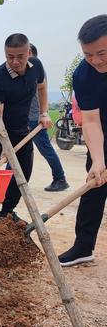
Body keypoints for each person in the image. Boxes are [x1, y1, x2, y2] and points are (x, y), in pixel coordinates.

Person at [0, 33, 52, 231]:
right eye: (10, 56)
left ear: (29, 52)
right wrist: (4, 144)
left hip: (21, 128)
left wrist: (44, 114)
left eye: (20, 56)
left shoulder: (36, 66)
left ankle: (7, 211)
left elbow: (43, 87)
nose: (15, 61)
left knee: (24, 170)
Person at [58, 15, 107, 266]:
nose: (95, 60)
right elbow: (90, 120)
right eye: (88, 54)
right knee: (95, 183)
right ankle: (83, 247)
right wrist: (98, 160)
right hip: (103, 132)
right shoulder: (84, 75)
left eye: (102, 53)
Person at [28, 44, 69, 191]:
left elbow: (40, 93)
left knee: (45, 148)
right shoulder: (32, 69)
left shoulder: (36, 69)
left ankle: (60, 178)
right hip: (32, 116)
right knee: (19, 149)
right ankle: (12, 178)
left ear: (30, 52)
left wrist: (41, 115)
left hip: (34, 117)